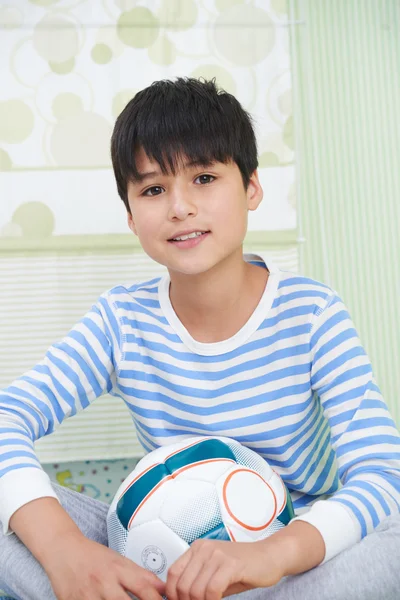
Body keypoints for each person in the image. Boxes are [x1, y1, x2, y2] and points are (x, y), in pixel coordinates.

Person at [0, 77, 399, 600]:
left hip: (290, 567)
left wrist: (272, 554)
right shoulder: (122, 320)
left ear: (252, 187)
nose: (180, 207)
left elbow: (381, 475)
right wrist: (67, 554)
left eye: (205, 177)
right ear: (130, 214)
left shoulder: (312, 314)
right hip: (154, 568)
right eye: (153, 189)